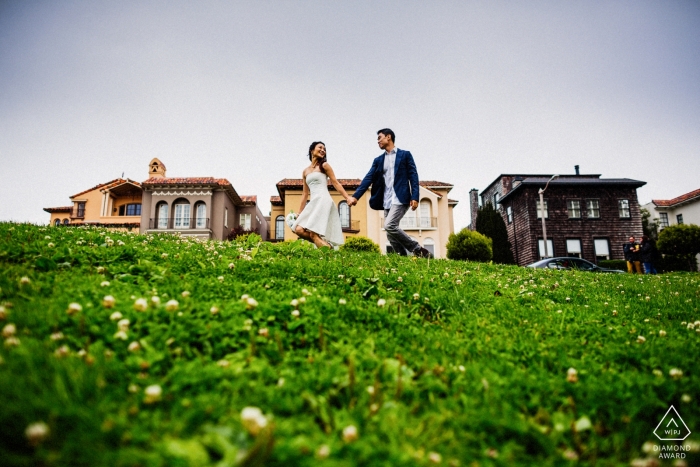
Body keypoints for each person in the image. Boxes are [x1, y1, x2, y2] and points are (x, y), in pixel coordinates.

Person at [347, 128, 432, 258]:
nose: (378, 141)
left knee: (389, 225)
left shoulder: (405, 155)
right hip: (386, 199)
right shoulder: (378, 160)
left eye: (379, 138)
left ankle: (418, 249)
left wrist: (415, 196)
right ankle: (402, 258)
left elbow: (413, 176)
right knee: (390, 233)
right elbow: (368, 178)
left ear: (388, 137)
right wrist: (355, 196)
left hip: (401, 197)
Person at [291, 141, 352, 249]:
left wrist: (347, 198)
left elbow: (335, 183)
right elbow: (305, 193)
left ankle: (328, 256)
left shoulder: (324, 165)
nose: (323, 150)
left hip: (323, 200)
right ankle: (328, 247)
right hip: (314, 202)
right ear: (312, 150)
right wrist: (300, 212)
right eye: (320, 147)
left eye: (324, 149)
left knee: (313, 234)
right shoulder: (305, 171)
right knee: (299, 229)